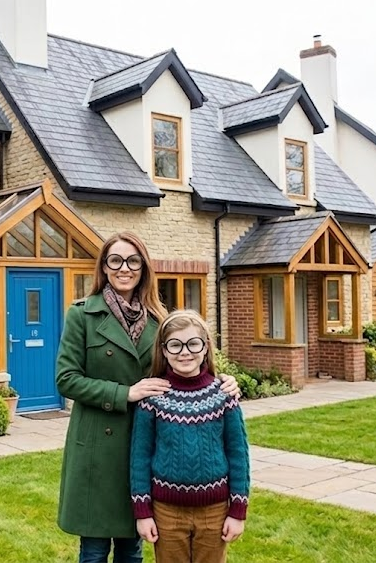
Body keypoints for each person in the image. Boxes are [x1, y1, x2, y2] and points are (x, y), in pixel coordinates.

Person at [55, 232, 240, 563]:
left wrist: (226, 380)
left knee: (133, 545)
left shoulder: (159, 318)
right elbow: (66, 379)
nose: (124, 268)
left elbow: (190, 353)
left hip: (148, 443)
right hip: (98, 445)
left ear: (143, 268)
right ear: (104, 267)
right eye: (115, 260)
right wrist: (125, 393)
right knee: (95, 549)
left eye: (133, 261)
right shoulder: (81, 315)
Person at [130, 310, 250, 563]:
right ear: (163, 350)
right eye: (175, 345)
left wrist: (238, 511)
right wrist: (143, 512)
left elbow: (238, 454)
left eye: (193, 343)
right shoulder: (153, 396)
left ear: (205, 347)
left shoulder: (224, 394)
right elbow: (140, 457)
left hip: (215, 512)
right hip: (166, 512)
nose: (185, 352)